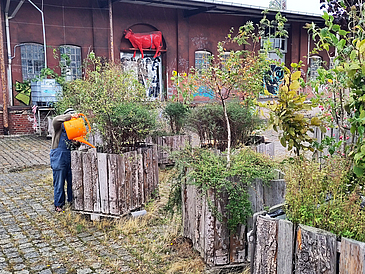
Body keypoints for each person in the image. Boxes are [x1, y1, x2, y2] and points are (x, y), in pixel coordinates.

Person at [50, 108, 79, 212]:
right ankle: (59, 205)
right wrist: (70, 116)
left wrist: (76, 142)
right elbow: (55, 120)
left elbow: (77, 144)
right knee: (59, 182)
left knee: (72, 181)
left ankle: (72, 202)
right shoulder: (58, 126)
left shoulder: (74, 128)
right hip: (59, 156)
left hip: (70, 156)